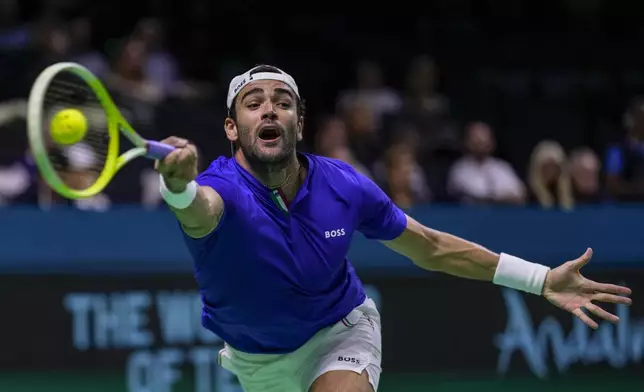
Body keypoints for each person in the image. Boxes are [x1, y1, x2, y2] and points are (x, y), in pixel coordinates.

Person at [154, 65, 632, 392]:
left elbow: (430, 247)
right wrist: (178, 188)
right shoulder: (221, 187)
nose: (269, 110)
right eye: (253, 103)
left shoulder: (343, 186)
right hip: (257, 362)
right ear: (233, 128)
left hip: (339, 331)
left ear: (299, 122)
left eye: (282, 102)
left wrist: (540, 278)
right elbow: (199, 210)